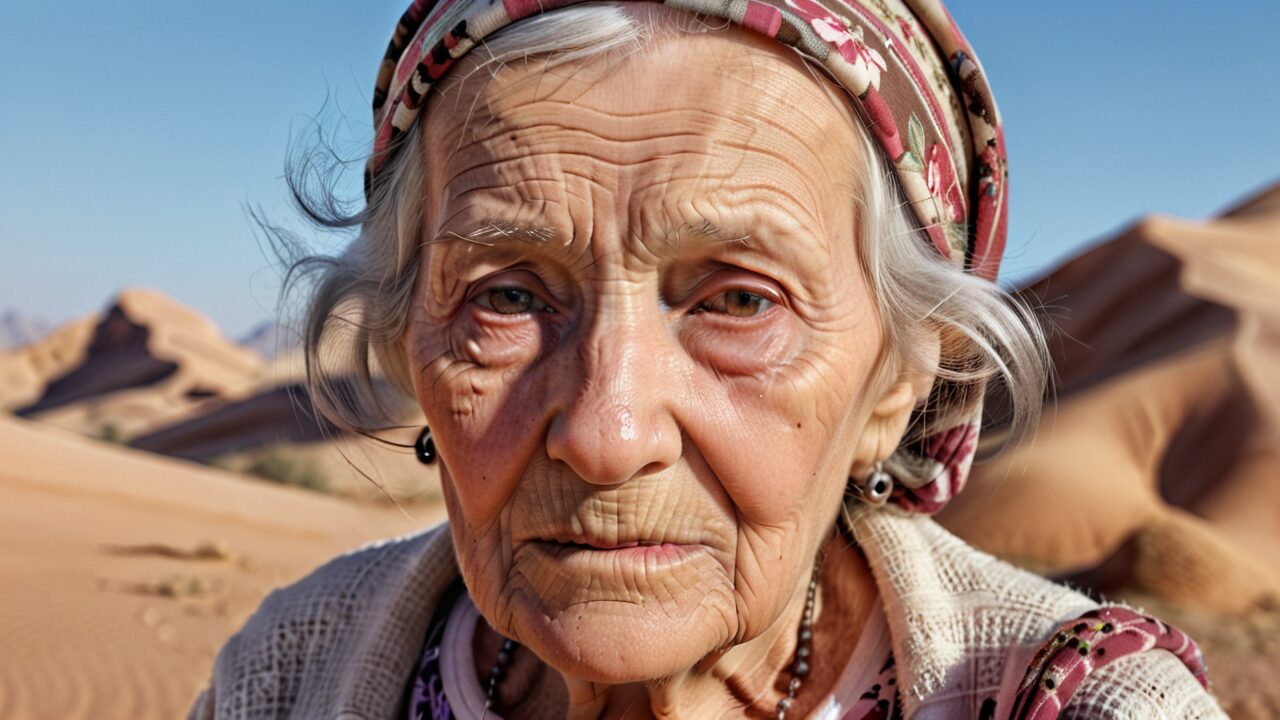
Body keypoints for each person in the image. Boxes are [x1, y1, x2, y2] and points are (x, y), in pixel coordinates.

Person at [190, 1, 1227, 717]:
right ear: (408, 345)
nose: (606, 434)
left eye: (737, 301)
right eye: (505, 295)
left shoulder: (1085, 704)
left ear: (905, 375)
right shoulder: (291, 671)